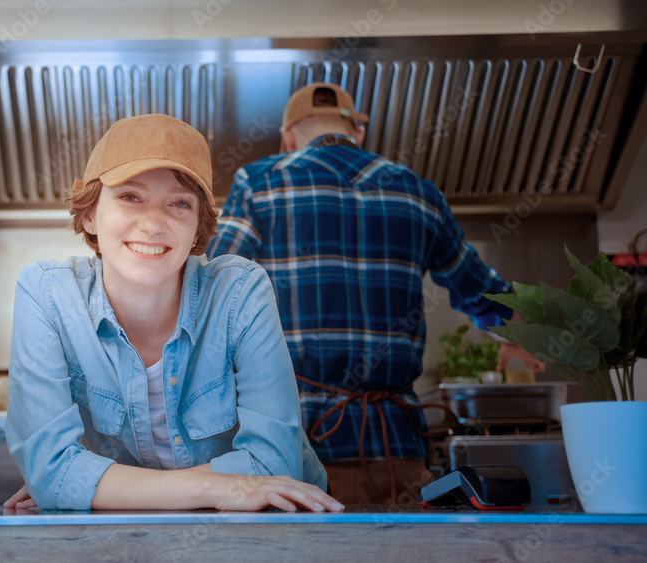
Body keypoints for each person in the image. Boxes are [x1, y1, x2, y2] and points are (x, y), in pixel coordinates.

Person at [207, 83, 544, 506]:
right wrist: (522, 338)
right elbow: (486, 293)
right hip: (396, 446)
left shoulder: (259, 183)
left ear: (288, 137)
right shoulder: (421, 193)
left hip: (294, 446)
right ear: (358, 132)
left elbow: (215, 287)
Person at [3, 113, 342, 513]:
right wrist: (218, 489)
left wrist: (95, 486)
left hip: (267, 536)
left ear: (198, 227)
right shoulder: (47, 292)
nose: (152, 223)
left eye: (179, 203)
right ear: (91, 214)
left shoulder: (241, 291)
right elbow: (51, 472)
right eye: (130, 196)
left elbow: (274, 466)